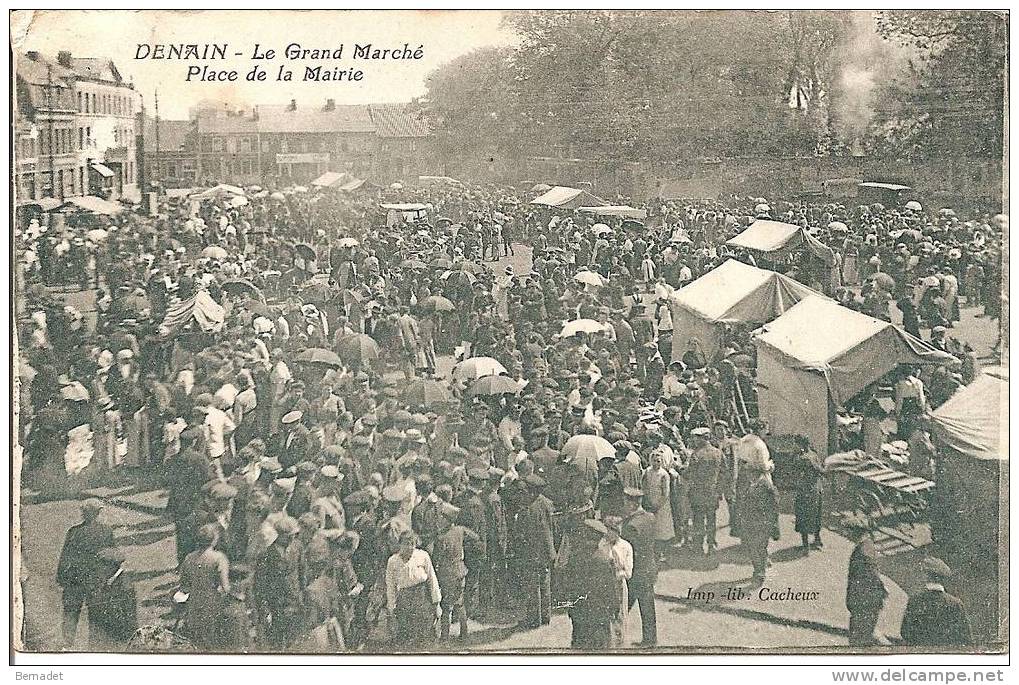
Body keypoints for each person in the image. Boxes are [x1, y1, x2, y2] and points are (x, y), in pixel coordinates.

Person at [56, 498, 115, 649]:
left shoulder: (74, 531)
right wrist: (110, 577)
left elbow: (65, 556)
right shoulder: (106, 531)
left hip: (75, 579)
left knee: (71, 613)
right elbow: (111, 555)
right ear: (98, 513)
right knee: (95, 614)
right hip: (95, 579)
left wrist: (61, 577)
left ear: (83, 513)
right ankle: (94, 647)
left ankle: (67, 645)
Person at [384, 531, 441, 650]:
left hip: (422, 595)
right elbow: (390, 585)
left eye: (412, 544)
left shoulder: (423, 556)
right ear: (400, 544)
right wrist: (391, 606)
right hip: (404, 598)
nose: (410, 547)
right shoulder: (393, 561)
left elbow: (432, 579)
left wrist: (436, 603)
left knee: (424, 630)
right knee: (406, 631)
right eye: (406, 544)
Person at [178, 523, 231, 650]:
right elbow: (225, 587)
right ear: (214, 540)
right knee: (214, 642)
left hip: (195, 603)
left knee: (197, 642)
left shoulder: (189, 558)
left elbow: (184, 585)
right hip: (213, 602)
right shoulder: (219, 558)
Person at [900, 557, 973, 646]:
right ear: (943, 579)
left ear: (926, 576)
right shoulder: (956, 603)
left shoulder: (915, 601)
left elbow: (905, 633)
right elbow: (966, 637)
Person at [620, 486, 658, 647]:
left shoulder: (631, 526)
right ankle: (650, 640)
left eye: (626, 502)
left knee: (622, 607)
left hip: (636, 573)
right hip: (650, 568)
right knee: (647, 607)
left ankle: (614, 638)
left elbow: (627, 552)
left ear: (632, 504)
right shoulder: (650, 517)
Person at [844, 516, 887, 646]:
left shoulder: (863, 552)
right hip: (867, 603)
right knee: (865, 637)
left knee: (858, 641)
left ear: (855, 531)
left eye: (848, 531)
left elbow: (872, 578)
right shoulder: (867, 545)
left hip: (864, 604)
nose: (846, 535)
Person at [740, 452, 779, 584]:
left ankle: (760, 572)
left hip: (761, 522)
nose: (747, 475)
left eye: (748, 473)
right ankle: (758, 570)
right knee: (754, 547)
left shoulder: (765, 485)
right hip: (752, 522)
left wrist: (773, 523)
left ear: (754, 473)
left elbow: (773, 505)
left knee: (759, 547)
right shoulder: (754, 484)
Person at [686, 427, 722, 555]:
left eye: (696, 438)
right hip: (712, 492)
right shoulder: (718, 453)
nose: (694, 441)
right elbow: (724, 473)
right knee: (711, 519)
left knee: (698, 520)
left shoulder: (696, 454)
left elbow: (689, 473)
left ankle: (698, 546)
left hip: (698, 493)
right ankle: (711, 544)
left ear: (702, 439)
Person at [599, 515, 633, 647]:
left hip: (618, 585)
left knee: (620, 616)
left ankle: (620, 645)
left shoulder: (625, 547)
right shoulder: (602, 544)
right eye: (607, 530)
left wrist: (615, 573)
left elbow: (628, 573)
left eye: (611, 530)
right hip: (604, 584)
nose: (608, 533)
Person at [792, 434, 825, 552]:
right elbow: (821, 470)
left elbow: (795, 469)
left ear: (800, 445)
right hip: (816, 488)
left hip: (805, 490)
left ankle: (805, 544)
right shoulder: (814, 454)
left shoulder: (803, 458)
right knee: (816, 514)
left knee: (803, 516)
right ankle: (817, 539)